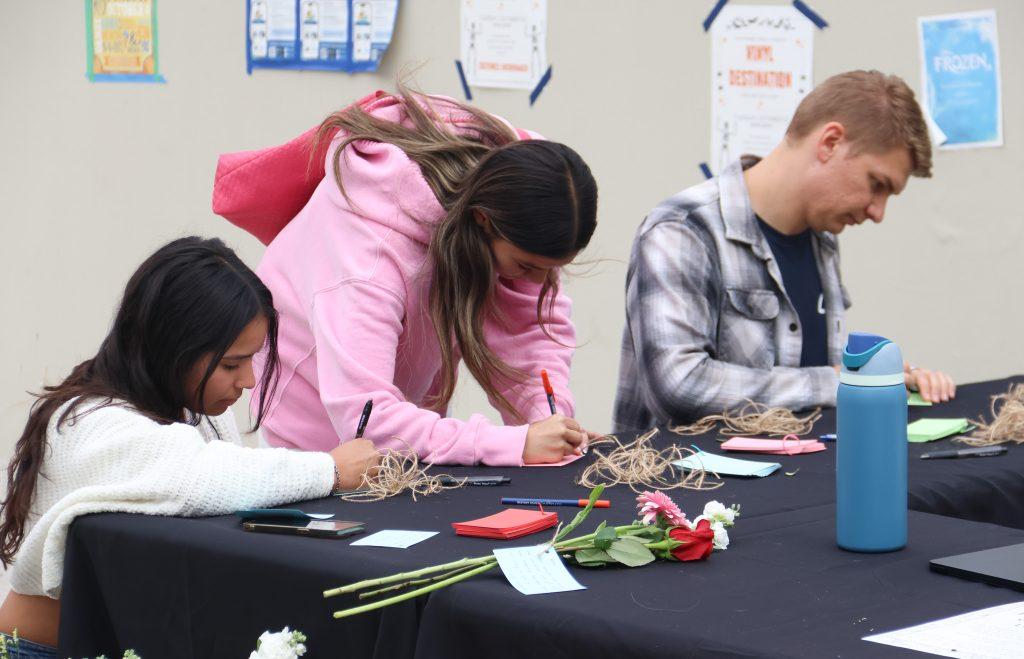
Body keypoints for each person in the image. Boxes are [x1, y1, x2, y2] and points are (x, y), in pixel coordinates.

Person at [0, 237, 380, 652]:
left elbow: (232, 479)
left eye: (252, 359)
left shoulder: (199, 411)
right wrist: (331, 470)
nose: (249, 380)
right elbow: (200, 476)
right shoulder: (88, 424)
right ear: (170, 348)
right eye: (232, 364)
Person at [212, 87, 599, 465]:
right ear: (482, 220)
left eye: (548, 272)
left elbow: (527, 332)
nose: (534, 282)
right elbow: (366, 421)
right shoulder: (369, 257)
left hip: (400, 434)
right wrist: (510, 444)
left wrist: (548, 421)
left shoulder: (515, 193)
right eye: (525, 267)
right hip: (321, 445)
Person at [614, 70, 956, 431]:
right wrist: (839, 383)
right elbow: (680, 385)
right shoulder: (683, 229)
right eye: (876, 184)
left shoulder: (821, 238)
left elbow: (813, 389)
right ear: (830, 142)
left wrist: (883, 382)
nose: (878, 212)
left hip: (796, 481)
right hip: (687, 486)